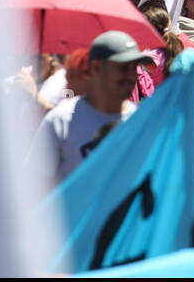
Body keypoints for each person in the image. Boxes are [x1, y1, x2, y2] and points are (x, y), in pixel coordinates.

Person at [25, 31, 157, 185]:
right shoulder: (60, 121)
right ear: (96, 68)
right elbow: (34, 185)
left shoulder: (141, 122)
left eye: (133, 68)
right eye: (122, 67)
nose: (130, 76)